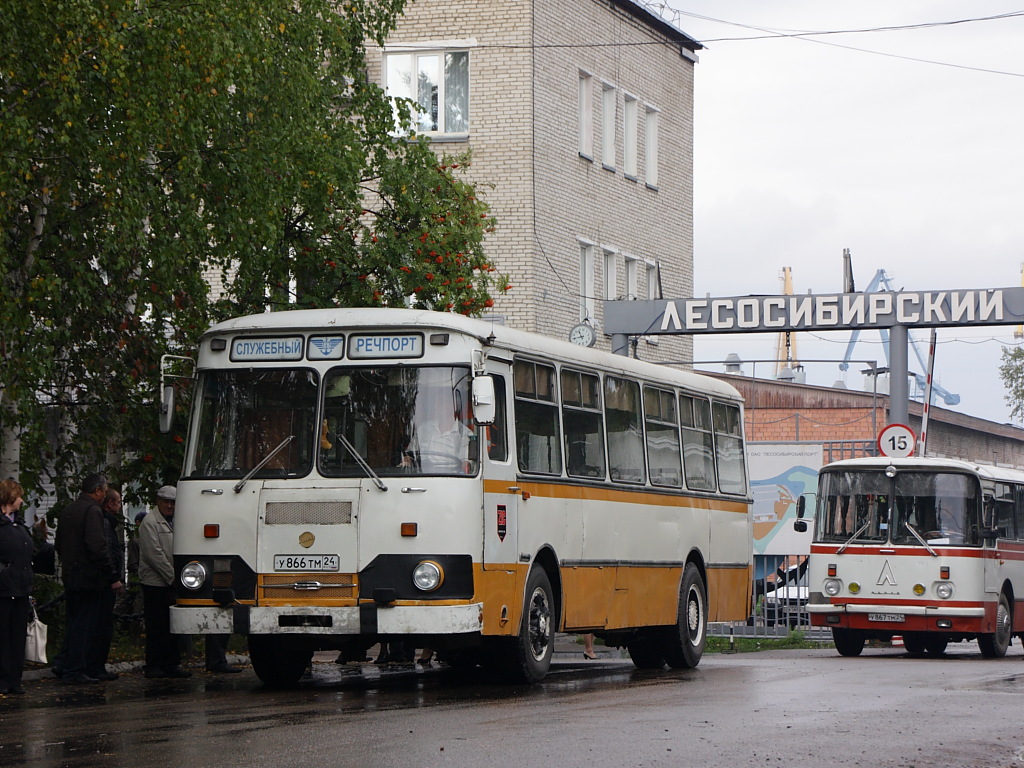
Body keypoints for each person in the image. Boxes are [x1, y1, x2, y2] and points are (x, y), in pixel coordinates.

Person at [53, 473, 124, 684]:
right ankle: (75, 669)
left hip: (71, 575)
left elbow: (59, 544)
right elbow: (97, 547)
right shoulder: (92, 511)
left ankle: (67, 665)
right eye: (104, 490)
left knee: (74, 623)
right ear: (98, 491)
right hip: (89, 577)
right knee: (85, 626)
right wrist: (111, 576)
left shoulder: (70, 509)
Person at [138, 485, 190, 678]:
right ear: (158, 501)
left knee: (173, 626)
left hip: (173, 582)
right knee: (157, 626)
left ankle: (171, 664)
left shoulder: (177, 521)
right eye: (166, 501)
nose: (169, 506)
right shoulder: (150, 522)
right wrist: (173, 578)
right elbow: (154, 555)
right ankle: (153, 665)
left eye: (173, 502)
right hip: (155, 583)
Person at [0, 479, 34, 694]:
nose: (22, 501)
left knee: (17, 636)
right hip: (3, 589)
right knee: (3, 636)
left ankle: (15, 678)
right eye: (19, 496)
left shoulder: (18, 523)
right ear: (10, 498)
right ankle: (3, 678)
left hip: (21, 587)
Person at [89, 487, 126, 680]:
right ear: (110, 503)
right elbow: (107, 551)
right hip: (105, 582)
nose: (120, 506)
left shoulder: (106, 523)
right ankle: (96, 666)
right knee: (102, 626)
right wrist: (113, 577)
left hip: (105, 580)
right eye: (118, 502)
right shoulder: (104, 523)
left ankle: (95, 665)